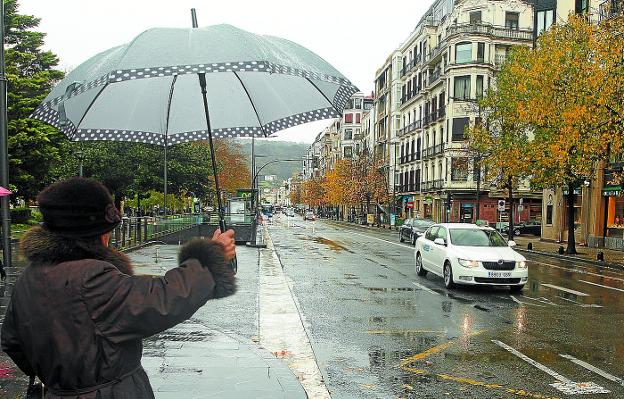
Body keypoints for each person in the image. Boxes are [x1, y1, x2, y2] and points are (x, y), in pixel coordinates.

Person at [1, 177, 236, 399]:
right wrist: (211, 257)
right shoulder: (91, 279)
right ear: (99, 233)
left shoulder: (29, 278)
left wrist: (58, 374)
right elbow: (162, 298)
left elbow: (12, 340)